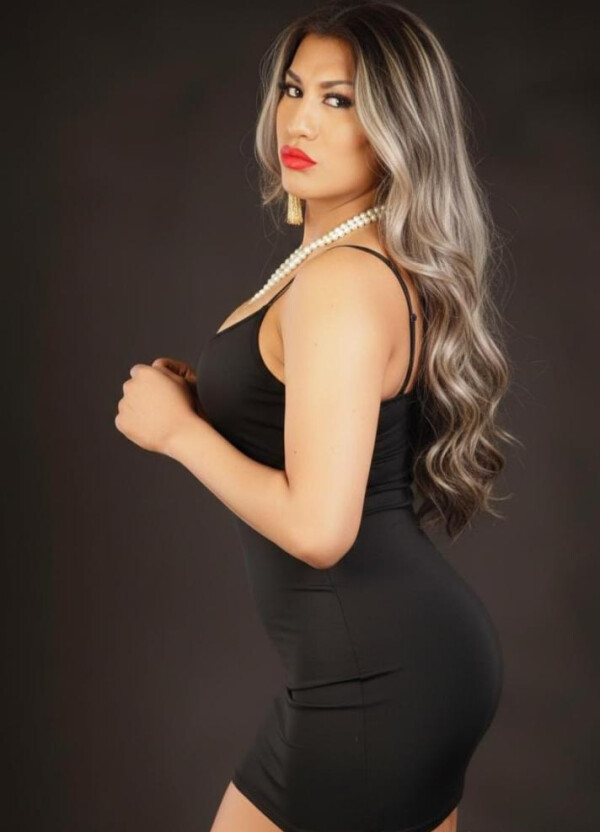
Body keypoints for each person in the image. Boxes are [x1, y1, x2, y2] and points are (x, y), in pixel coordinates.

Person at [115, 2, 518, 830]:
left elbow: (319, 529)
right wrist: (210, 402)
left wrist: (179, 433)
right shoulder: (346, 262)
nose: (298, 120)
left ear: (398, 129)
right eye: (293, 90)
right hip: (400, 666)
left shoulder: (341, 280)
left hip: (377, 681)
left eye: (339, 100)